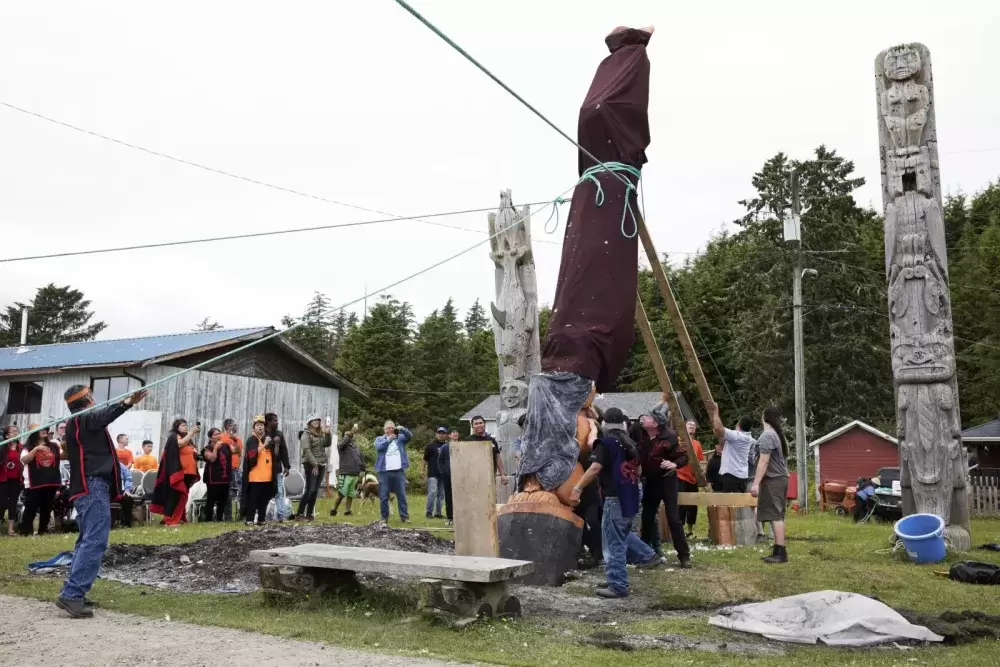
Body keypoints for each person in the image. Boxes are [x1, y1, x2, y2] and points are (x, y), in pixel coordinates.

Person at [58, 384, 147, 618]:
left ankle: (74, 591)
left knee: (86, 540)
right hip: (92, 485)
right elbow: (102, 416)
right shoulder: (84, 418)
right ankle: (72, 594)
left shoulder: (78, 421)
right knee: (95, 539)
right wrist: (126, 404)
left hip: (87, 486)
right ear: (87, 398)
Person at [570, 407, 659, 598]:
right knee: (621, 536)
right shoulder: (630, 443)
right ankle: (620, 574)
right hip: (631, 496)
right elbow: (640, 471)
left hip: (614, 497)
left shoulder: (607, 443)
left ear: (604, 425)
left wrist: (577, 488)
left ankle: (618, 585)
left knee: (613, 544)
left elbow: (594, 469)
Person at [633, 404, 692, 567]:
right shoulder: (641, 433)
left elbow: (683, 457)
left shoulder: (670, 436)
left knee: (674, 518)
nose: (645, 418)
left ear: (656, 424)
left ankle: (684, 556)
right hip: (650, 481)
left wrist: (674, 464)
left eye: (649, 417)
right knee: (647, 517)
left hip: (667, 480)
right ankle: (645, 555)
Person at [751, 407, 790, 564]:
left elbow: (764, 461)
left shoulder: (768, 435)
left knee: (775, 515)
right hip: (777, 479)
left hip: (774, 480)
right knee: (777, 515)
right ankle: (778, 549)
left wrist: (755, 483)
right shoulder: (775, 434)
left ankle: (780, 553)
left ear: (764, 418)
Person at [149, 419, 201, 525]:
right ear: (177, 427)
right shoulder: (174, 436)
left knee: (183, 496)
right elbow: (180, 444)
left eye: (186, 425)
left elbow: (188, 450)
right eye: (182, 425)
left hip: (189, 472)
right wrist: (191, 432)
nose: (185, 427)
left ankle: (179, 517)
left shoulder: (188, 440)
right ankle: (170, 519)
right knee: (175, 495)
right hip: (177, 471)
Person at [19, 426, 61, 536]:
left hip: (50, 481)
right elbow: (24, 460)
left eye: (45, 429)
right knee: (31, 508)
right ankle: (26, 531)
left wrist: (66, 449)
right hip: (34, 483)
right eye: (41, 429)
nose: (44, 431)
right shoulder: (28, 447)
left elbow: (63, 456)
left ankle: (43, 530)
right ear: (34, 433)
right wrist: (36, 449)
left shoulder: (54, 445)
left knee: (46, 508)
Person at [708, 402, 755, 493]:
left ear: (738, 425)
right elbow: (722, 438)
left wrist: (715, 410)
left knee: (730, 505)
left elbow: (718, 429)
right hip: (741, 476)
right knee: (738, 504)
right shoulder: (748, 438)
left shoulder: (737, 436)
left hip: (732, 476)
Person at [241, 415, 279, 525]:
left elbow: (275, 456)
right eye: (257, 425)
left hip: (267, 477)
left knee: (264, 501)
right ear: (254, 428)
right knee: (253, 501)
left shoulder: (266, 439)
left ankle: (261, 520)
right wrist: (265, 445)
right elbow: (251, 455)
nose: (260, 427)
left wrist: (276, 444)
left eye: (262, 425)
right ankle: (249, 520)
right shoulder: (251, 440)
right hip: (255, 477)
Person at [295, 414, 332, 520]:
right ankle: (299, 514)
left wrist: (328, 433)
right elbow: (306, 450)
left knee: (315, 490)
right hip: (311, 465)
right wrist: (314, 464)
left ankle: (309, 514)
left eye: (318, 420)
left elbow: (327, 444)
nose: (316, 422)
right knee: (310, 490)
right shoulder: (305, 435)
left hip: (321, 464)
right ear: (309, 422)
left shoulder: (320, 433)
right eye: (314, 420)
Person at [375, 420, 411, 523]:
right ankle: (384, 518)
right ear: (384, 429)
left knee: (402, 495)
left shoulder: (400, 438)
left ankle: (405, 517)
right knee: (383, 495)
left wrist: (403, 429)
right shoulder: (379, 439)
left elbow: (409, 436)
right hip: (384, 471)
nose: (390, 430)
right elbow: (379, 448)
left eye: (392, 428)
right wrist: (388, 440)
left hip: (399, 471)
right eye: (388, 428)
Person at [678, 420, 706, 537]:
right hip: (680, 475)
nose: (692, 427)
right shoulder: (679, 441)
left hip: (692, 478)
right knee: (681, 503)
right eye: (690, 425)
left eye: (694, 425)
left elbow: (701, 461)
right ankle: (680, 529)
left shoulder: (697, 444)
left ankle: (689, 530)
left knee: (693, 505)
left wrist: (702, 472)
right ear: (684, 427)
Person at [263, 413, 292, 521]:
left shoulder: (279, 434)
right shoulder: (263, 434)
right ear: (268, 422)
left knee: (279, 491)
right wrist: (272, 443)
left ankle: (281, 515)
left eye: (277, 420)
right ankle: (263, 515)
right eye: (275, 420)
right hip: (264, 468)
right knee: (265, 492)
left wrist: (287, 466)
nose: (277, 422)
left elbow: (284, 451)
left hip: (277, 467)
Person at [201, 427, 232, 522]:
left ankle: (219, 519)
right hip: (213, 479)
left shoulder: (226, 446)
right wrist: (215, 448)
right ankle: (208, 519)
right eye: (216, 434)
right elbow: (212, 459)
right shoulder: (207, 448)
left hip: (224, 477)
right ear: (210, 438)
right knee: (211, 500)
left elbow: (238, 452)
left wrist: (235, 439)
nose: (218, 435)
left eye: (219, 433)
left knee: (222, 501)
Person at [330, 424, 362, 516]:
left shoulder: (356, 448)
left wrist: (363, 469)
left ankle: (348, 511)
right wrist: (350, 433)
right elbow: (345, 441)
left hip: (355, 473)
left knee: (350, 494)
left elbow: (360, 460)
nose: (351, 436)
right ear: (345, 437)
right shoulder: (341, 446)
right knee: (341, 494)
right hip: (345, 473)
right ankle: (334, 509)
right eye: (347, 435)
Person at [469, 416, 507, 485]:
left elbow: (497, 457)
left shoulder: (492, 440)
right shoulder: (468, 441)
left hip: (490, 476)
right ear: (472, 426)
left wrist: (502, 474)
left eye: (480, 423)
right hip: (474, 478)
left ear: (484, 424)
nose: (479, 425)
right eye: (476, 424)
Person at [218, 419, 242, 521]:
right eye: (234, 425)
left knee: (239, 493)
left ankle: (241, 516)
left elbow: (239, 452)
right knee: (227, 493)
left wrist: (238, 466)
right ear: (229, 426)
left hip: (235, 470)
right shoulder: (221, 437)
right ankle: (228, 517)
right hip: (224, 470)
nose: (236, 427)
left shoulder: (238, 438)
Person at [1, 425, 23, 537]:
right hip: (3, 479)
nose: (15, 433)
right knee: (2, 503)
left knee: (13, 504)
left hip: (16, 479)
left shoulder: (21, 447)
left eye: (16, 431)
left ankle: (10, 529)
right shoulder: (2, 447)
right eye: (12, 431)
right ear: (6, 435)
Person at [423, 427, 447, 519]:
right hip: (433, 473)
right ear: (436, 434)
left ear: (445, 435)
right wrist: (422, 470)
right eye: (439, 433)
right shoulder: (430, 446)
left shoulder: (447, 446)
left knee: (441, 495)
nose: (441, 435)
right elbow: (424, 459)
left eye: (443, 433)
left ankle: (438, 513)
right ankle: (429, 512)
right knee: (432, 492)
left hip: (443, 474)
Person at [438, 429, 457, 526]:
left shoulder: (462, 446)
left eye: (457, 432)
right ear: (449, 435)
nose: (455, 434)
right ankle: (450, 518)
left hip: (460, 475)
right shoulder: (445, 447)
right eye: (453, 432)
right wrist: (444, 473)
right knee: (449, 496)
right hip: (448, 475)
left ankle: (460, 517)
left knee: (460, 496)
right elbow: (440, 461)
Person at [116, 459, 136, 528]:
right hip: (104, 491)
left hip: (119, 491)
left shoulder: (120, 465)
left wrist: (127, 489)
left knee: (128, 499)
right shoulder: (102, 464)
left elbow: (128, 477)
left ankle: (126, 523)